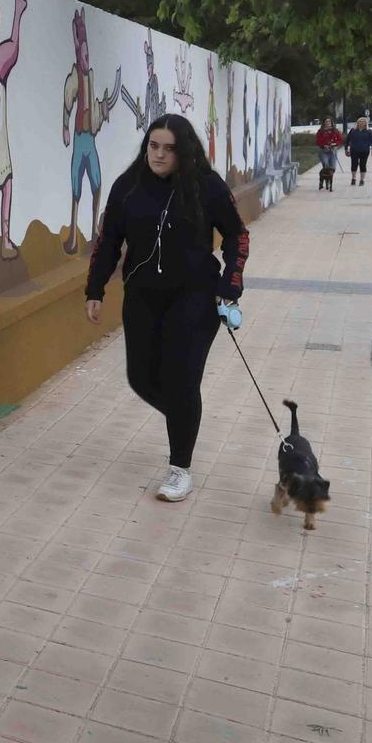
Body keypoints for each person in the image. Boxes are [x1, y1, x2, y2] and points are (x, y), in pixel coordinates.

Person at [84, 114, 250, 502]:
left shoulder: (205, 187)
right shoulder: (127, 187)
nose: (158, 155)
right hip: (142, 296)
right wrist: (95, 289)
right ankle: (183, 415)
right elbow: (109, 239)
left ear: (184, 152)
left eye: (168, 149)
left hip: (194, 298)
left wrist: (231, 283)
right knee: (141, 378)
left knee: (180, 379)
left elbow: (237, 236)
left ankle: (180, 467)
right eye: (152, 146)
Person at [345, 116, 372, 185]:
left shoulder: (368, 131)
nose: (361, 123)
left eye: (363, 122)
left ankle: (362, 180)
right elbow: (347, 140)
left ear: (365, 123)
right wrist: (346, 148)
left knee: (363, 165)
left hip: (364, 150)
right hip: (354, 150)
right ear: (357, 123)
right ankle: (353, 178)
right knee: (354, 164)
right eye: (360, 122)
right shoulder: (353, 130)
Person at [315, 116, 344, 191]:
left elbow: (340, 140)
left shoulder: (335, 131)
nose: (328, 123)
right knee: (326, 166)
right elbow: (318, 141)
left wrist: (334, 144)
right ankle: (324, 181)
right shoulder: (321, 131)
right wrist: (324, 145)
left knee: (332, 167)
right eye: (326, 121)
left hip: (333, 151)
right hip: (323, 151)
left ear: (331, 122)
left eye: (329, 121)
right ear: (324, 123)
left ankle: (329, 180)